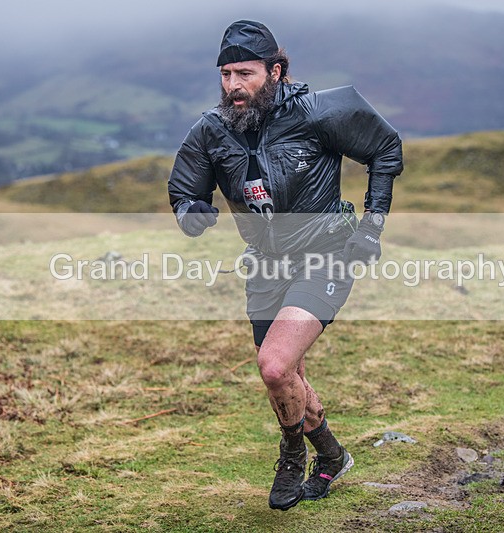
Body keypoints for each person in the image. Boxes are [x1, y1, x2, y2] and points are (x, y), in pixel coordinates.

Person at [167, 20, 403, 511]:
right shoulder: (211, 131)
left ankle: (292, 455)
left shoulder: (321, 111)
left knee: (274, 366)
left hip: (327, 253)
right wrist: (192, 215)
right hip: (265, 266)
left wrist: (372, 227)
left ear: (276, 70)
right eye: (226, 74)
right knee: (287, 373)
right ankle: (333, 457)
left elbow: (385, 148)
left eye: (245, 73)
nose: (233, 85)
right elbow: (185, 191)